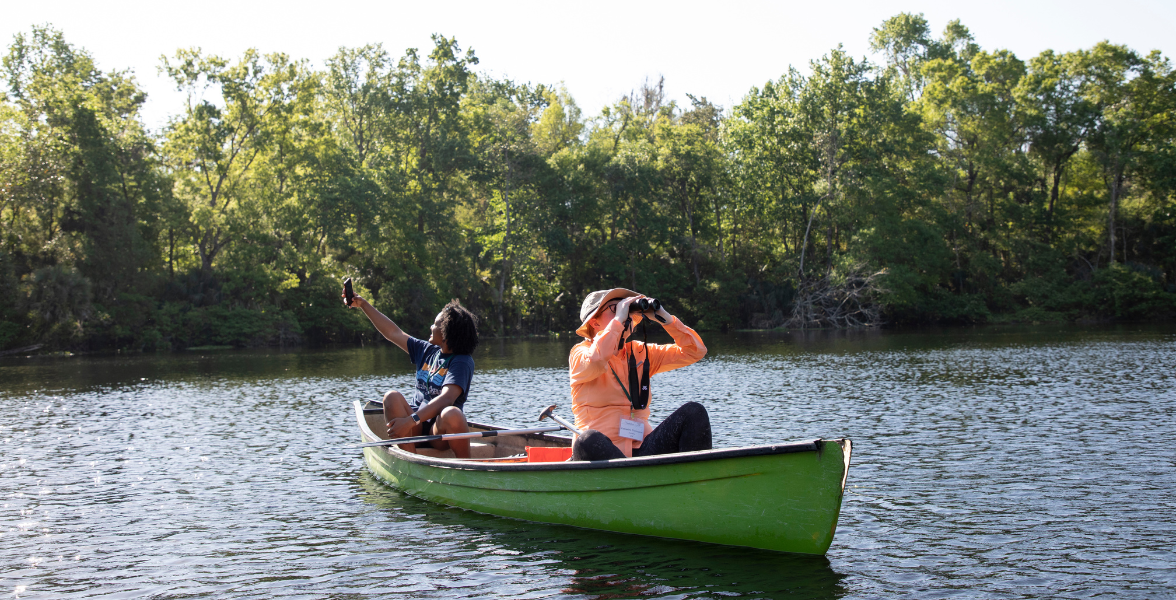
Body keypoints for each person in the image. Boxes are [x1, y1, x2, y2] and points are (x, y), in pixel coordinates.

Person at [569, 288, 710, 461]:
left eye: (627, 310)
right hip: (602, 455)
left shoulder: (640, 352)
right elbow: (597, 359)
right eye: (615, 309)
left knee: (694, 412)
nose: (625, 315)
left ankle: (695, 481)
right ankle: (631, 481)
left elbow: (695, 351)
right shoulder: (579, 353)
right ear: (594, 323)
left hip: (642, 451)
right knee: (587, 439)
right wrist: (618, 320)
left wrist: (665, 319)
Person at [345, 292, 479, 459]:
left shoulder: (462, 361)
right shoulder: (427, 351)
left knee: (453, 413)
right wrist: (363, 304)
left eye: (435, 324)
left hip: (438, 431)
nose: (431, 327)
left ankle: (466, 465)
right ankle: (411, 461)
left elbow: (447, 399)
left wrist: (410, 420)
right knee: (391, 397)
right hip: (415, 429)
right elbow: (393, 332)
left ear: (445, 332)